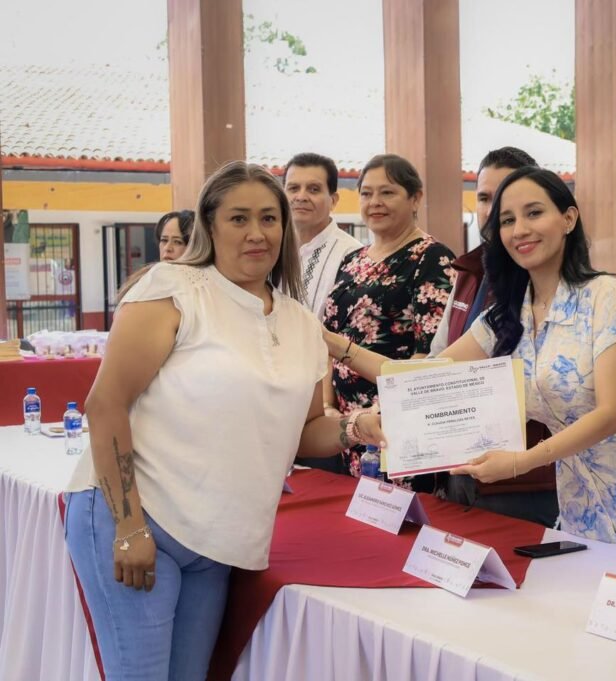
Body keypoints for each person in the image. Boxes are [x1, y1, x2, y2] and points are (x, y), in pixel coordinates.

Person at [63, 161, 355, 680]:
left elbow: (308, 433)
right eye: (239, 218)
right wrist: (128, 526)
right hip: (138, 516)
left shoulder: (302, 323)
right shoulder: (174, 289)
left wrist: (358, 429)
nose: (256, 232)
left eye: (269, 218)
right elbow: (105, 405)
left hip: (219, 541)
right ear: (211, 226)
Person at [354, 166, 616, 561]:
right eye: (507, 220)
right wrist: (347, 361)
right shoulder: (506, 314)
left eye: (534, 213)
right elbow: (424, 376)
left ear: (568, 219)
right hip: (578, 494)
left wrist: (520, 462)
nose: (520, 229)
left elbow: (613, 413)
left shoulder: (604, 295)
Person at [429, 146, 559, 527]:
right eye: (485, 198)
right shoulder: (468, 271)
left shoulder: (566, 290)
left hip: (528, 482)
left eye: (505, 197)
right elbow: (437, 363)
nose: (494, 210)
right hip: (460, 469)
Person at [317, 153, 455, 483]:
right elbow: (325, 339)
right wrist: (327, 407)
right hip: (347, 429)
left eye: (388, 192)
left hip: (394, 427)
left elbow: (429, 359)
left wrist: (376, 413)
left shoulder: (432, 259)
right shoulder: (352, 260)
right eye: (366, 193)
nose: (375, 202)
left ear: (415, 198)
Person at [283, 152, 363, 318]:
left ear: (333, 200)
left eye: (313, 189)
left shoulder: (352, 256)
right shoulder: (272, 249)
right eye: (293, 188)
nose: (301, 197)